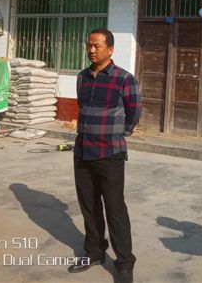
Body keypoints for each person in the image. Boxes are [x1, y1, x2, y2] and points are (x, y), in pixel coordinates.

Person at [68, 28, 142, 283]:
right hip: (83, 151)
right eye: (89, 45)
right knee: (88, 205)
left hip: (110, 154)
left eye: (97, 46)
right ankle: (94, 251)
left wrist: (119, 133)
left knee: (114, 207)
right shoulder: (82, 77)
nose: (91, 50)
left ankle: (124, 262)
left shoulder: (124, 78)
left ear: (110, 49)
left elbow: (134, 110)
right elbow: (83, 106)